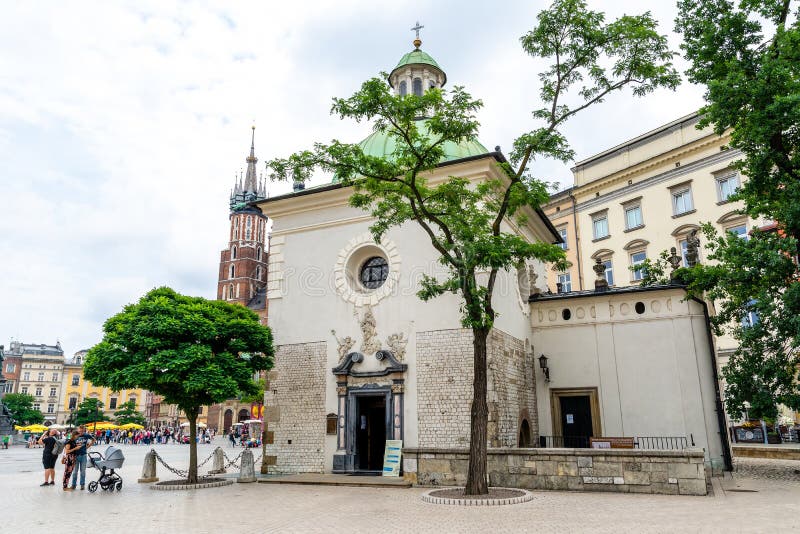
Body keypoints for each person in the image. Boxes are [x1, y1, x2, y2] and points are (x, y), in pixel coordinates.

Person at [69, 425, 95, 490]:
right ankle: (73, 485)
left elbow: (94, 440)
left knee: (83, 471)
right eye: (80, 431)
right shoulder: (75, 435)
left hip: (83, 455)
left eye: (82, 431)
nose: (81, 432)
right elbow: (69, 443)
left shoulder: (86, 435)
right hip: (76, 455)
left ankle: (82, 485)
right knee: (75, 472)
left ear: (84, 430)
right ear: (78, 430)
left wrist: (88, 446)